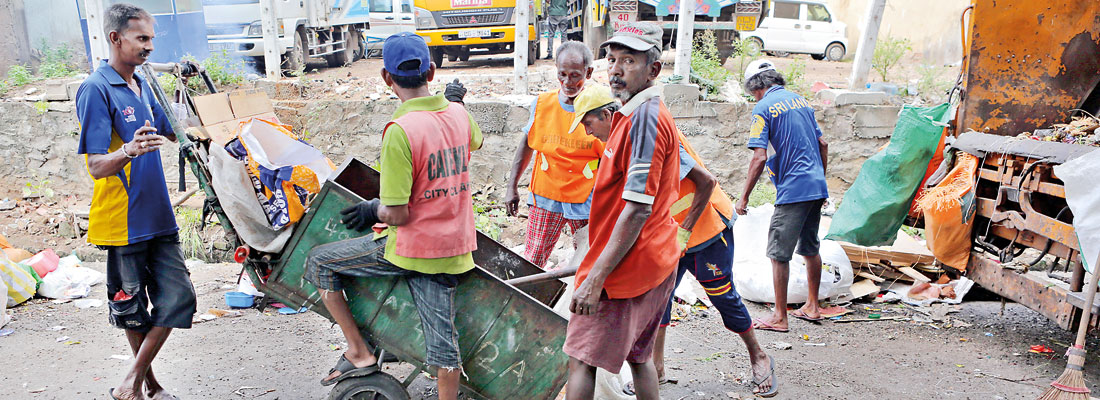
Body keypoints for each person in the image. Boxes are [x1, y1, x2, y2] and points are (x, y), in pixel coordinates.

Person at [303, 32, 482, 400]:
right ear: (432, 71)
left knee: (319, 261)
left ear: (387, 77)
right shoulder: (459, 114)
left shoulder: (400, 131)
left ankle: (358, 351)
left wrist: (373, 208)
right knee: (445, 352)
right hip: (456, 250)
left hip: (413, 251)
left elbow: (397, 214)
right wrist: (454, 103)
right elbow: (473, 140)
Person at [574, 87, 778, 397]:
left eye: (589, 124)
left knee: (723, 296)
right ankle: (657, 368)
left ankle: (759, 356)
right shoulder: (617, 139)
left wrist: (685, 233)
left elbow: (706, 183)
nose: (588, 133)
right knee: (659, 302)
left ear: (607, 114)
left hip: (705, 229)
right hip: (668, 236)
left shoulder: (648, 133)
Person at [75, 3, 198, 400]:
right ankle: (149, 386)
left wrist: (187, 95)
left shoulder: (142, 84)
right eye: (141, 38)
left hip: (157, 211)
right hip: (122, 217)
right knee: (132, 308)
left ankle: (130, 379)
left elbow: (173, 128)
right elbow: (96, 166)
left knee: (180, 296)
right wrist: (128, 151)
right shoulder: (96, 88)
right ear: (116, 38)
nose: (148, 47)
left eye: (151, 39)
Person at [563, 23, 686, 400]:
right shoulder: (632, 114)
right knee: (639, 356)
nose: (615, 69)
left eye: (629, 60)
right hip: (651, 261)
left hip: (626, 270)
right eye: (613, 59)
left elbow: (636, 210)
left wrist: (596, 277)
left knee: (581, 361)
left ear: (653, 69)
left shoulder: (645, 118)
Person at [735, 59, 830, 333]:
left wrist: (743, 198)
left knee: (779, 253)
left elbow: (759, 157)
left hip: (793, 188)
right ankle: (813, 306)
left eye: (752, 92)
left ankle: (780, 316)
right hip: (815, 184)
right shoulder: (801, 101)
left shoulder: (762, 108)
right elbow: (822, 144)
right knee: (810, 247)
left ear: (756, 87)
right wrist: (820, 180)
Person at [504, 41, 604, 269]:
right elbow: (527, 144)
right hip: (546, 195)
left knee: (589, 259)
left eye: (575, 75)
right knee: (533, 258)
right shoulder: (542, 104)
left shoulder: (599, 109)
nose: (568, 82)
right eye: (563, 75)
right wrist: (512, 186)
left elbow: (611, 156)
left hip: (585, 198)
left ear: (588, 73)